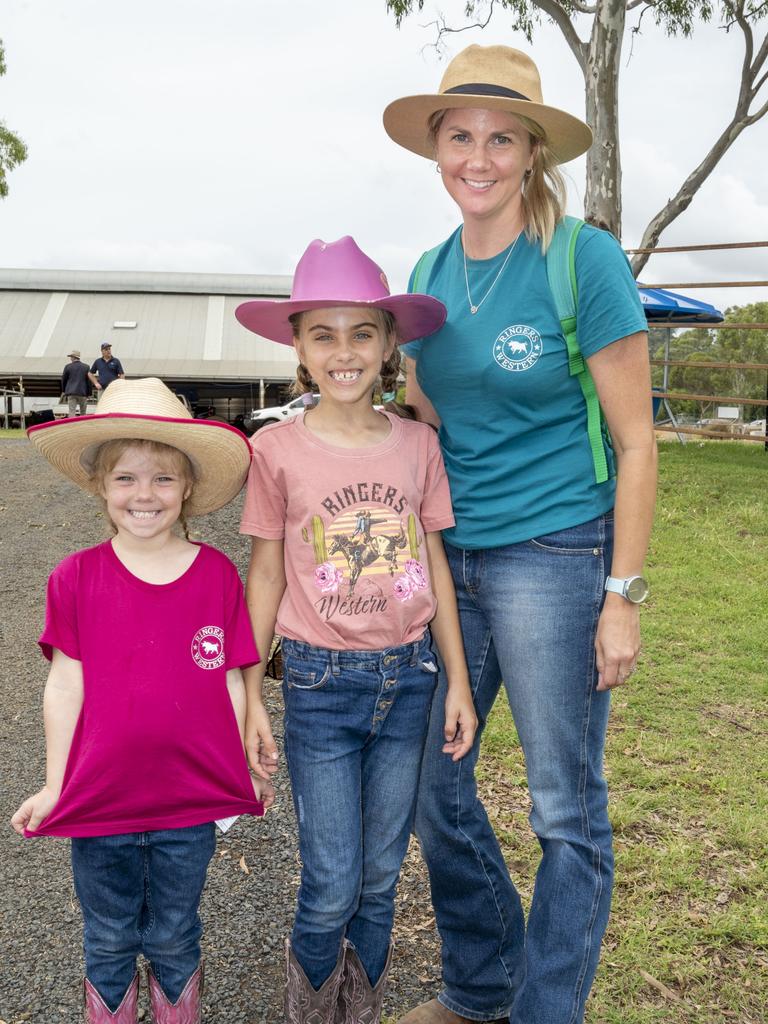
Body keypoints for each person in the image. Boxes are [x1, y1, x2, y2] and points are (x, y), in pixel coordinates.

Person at [382, 45, 657, 1024]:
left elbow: (636, 441)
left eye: (503, 137)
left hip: (558, 554)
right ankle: (482, 983)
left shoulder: (582, 258)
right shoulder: (426, 273)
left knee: (563, 810)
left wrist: (620, 597)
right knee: (424, 784)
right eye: (461, 135)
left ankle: (545, 1010)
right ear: (438, 149)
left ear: (534, 151)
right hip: (452, 561)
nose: (480, 156)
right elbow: (420, 423)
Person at [235, 236, 478, 1024]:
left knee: (380, 880)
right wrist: (246, 692)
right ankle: (312, 1009)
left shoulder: (418, 444)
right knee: (331, 880)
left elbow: (434, 565)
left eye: (362, 333)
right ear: (300, 348)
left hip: (409, 683)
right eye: (324, 334)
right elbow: (266, 574)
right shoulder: (275, 449)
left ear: (388, 345)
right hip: (317, 685)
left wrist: (458, 686)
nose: (345, 352)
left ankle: (358, 1010)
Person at [11, 377, 275, 1024]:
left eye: (162, 479)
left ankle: (176, 1006)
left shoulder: (216, 574)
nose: (144, 495)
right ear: (101, 486)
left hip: (189, 802)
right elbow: (65, 684)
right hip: (100, 799)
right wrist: (53, 784)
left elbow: (230, 679)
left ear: (187, 488)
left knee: (175, 931)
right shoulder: (73, 578)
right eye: (126, 478)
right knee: (107, 936)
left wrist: (241, 766)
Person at [61, 349, 91, 416]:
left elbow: (63, 380)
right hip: (82, 393)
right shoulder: (86, 367)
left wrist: (64, 390)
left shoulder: (68, 366)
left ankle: (71, 426)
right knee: (83, 412)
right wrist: (89, 393)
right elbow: (89, 381)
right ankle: (82, 425)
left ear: (73, 357)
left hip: (71, 392)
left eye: (71, 357)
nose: (70, 358)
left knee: (72, 411)